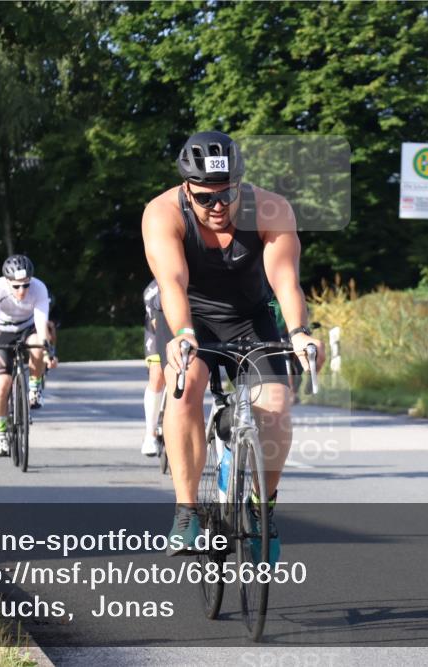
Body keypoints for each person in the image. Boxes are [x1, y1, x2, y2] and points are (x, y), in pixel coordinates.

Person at [142, 130, 324, 559]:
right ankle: (186, 511)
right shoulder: (162, 213)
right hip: (191, 318)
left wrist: (298, 332)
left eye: (227, 195)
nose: (218, 206)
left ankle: (263, 509)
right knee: (185, 389)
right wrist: (183, 334)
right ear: (188, 190)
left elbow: (284, 278)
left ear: (240, 183)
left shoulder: (270, 208)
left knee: (277, 405)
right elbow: (172, 282)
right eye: (205, 199)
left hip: (251, 316)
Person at [0, 255, 58, 457]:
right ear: (7, 282)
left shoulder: (39, 288)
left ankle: (34, 386)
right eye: (16, 287)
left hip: (27, 328)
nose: (21, 291)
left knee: (37, 345)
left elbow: (41, 323)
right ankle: (1, 433)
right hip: (3, 332)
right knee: (2, 384)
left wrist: (48, 350)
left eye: (25, 285)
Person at [142, 279, 165, 456]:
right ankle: (150, 433)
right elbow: (160, 327)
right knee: (157, 374)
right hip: (159, 327)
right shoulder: (152, 291)